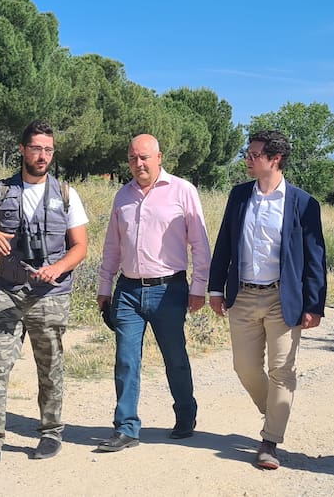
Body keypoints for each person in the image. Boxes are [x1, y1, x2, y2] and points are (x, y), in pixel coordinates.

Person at [0, 120, 89, 469]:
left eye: (48, 149)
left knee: (50, 366)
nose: (42, 155)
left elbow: (80, 247)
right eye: (36, 148)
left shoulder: (66, 194)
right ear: (22, 150)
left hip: (51, 292)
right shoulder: (0, 191)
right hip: (9, 291)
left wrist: (57, 268)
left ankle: (50, 432)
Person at [208, 130, 327, 470]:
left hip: (283, 298)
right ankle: (275, 408)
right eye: (248, 153)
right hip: (243, 294)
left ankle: (269, 441)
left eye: (254, 154)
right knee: (244, 367)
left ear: (274, 159)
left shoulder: (303, 203)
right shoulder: (239, 196)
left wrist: (314, 303)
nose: (248, 159)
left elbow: (315, 257)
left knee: (281, 370)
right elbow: (225, 243)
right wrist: (216, 288)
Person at [96, 134, 211, 452]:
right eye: (133, 158)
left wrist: (199, 287)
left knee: (175, 358)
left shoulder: (182, 191)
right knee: (126, 360)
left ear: (160, 157)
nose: (138, 163)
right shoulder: (122, 196)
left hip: (169, 289)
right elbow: (112, 247)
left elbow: (199, 244)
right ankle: (127, 428)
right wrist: (105, 287)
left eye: (144, 157)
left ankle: (185, 417)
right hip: (129, 290)